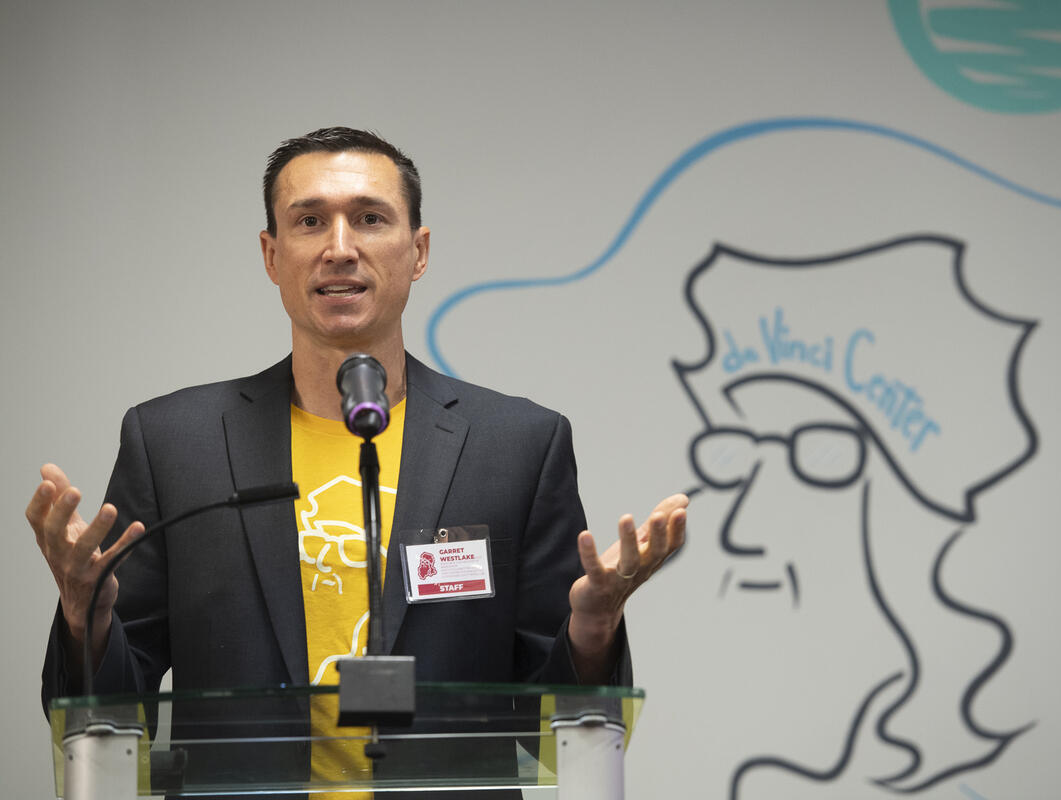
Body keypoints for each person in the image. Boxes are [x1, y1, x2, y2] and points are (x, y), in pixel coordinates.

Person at [29, 127, 687, 792]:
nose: (339, 248)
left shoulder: (515, 444)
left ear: (419, 250)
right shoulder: (177, 444)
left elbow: (556, 730)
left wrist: (592, 631)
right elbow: (112, 713)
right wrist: (89, 617)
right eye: (309, 221)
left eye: (370, 219)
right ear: (271, 253)